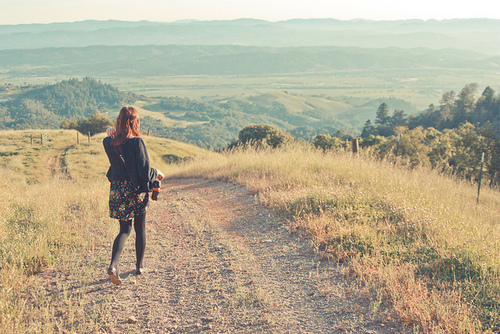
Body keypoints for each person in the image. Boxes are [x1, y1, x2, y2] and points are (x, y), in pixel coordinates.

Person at [103, 106, 164, 285]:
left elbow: (114, 149)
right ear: (135, 122)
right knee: (140, 228)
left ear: (119, 121)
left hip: (118, 191)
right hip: (136, 192)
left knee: (124, 230)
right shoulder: (137, 143)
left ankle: (113, 266)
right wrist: (158, 173)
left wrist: (111, 133)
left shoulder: (109, 142)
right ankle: (139, 266)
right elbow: (145, 172)